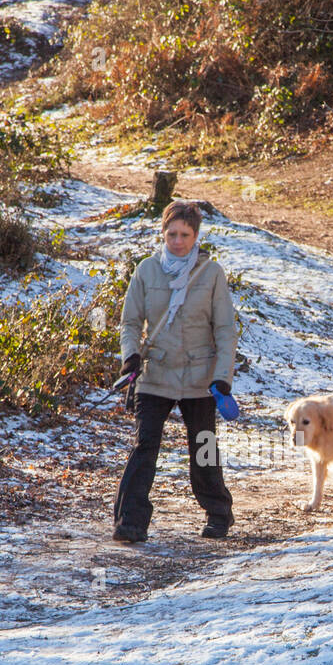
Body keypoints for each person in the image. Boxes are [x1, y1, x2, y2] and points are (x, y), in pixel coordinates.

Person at [112, 201, 237, 543]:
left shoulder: (212, 274)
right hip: (156, 374)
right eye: (172, 234)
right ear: (163, 233)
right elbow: (130, 322)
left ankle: (218, 514)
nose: (178, 241)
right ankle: (130, 522)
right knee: (144, 445)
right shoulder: (147, 271)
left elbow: (225, 329)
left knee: (203, 446)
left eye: (185, 234)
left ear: (196, 235)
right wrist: (131, 357)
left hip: (201, 377)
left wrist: (222, 377)